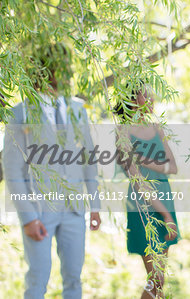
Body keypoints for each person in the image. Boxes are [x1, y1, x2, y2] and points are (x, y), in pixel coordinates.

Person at [3, 43, 101, 299]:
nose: (68, 72)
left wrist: (96, 205)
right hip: (39, 211)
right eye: (62, 66)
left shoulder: (78, 109)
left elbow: (88, 159)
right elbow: (13, 170)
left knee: (74, 279)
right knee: (37, 280)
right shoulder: (20, 113)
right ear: (45, 70)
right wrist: (28, 218)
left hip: (74, 209)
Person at [114, 85, 179, 299]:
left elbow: (174, 167)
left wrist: (144, 160)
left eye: (152, 94)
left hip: (165, 198)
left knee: (160, 281)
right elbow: (138, 182)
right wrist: (166, 215)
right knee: (155, 279)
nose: (152, 99)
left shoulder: (157, 126)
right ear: (133, 98)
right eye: (146, 95)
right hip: (144, 206)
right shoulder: (122, 132)